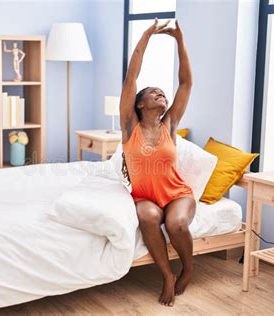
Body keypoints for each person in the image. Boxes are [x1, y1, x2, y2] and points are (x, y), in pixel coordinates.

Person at [119, 19, 194, 307]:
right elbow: (130, 79)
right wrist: (147, 35)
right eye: (154, 92)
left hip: (176, 194)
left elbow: (186, 82)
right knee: (149, 216)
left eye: (163, 92)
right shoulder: (129, 126)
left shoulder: (171, 124)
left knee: (176, 224)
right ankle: (167, 275)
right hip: (145, 197)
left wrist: (179, 40)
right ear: (139, 104)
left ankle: (188, 267)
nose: (161, 93)